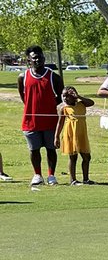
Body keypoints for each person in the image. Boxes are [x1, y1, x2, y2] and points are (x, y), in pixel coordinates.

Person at [18, 45, 64, 188]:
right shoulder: (22, 77)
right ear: (29, 60)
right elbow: (23, 97)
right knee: (34, 150)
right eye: (35, 57)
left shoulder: (53, 77)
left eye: (40, 57)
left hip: (50, 121)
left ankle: (51, 175)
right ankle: (37, 175)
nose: (38, 59)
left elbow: (60, 99)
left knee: (51, 149)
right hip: (30, 121)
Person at [54, 86, 95, 184]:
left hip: (82, 133)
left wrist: (79, 96)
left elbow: (91, 102)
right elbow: (60, 123)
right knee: (73, 157)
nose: (65, 98)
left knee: (86, 157)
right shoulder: (63, 108)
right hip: (71, 133)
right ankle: (73, 180)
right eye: (63, 96)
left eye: (68, 96)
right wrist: (56, 136)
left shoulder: (81, 104)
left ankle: (86, 179)